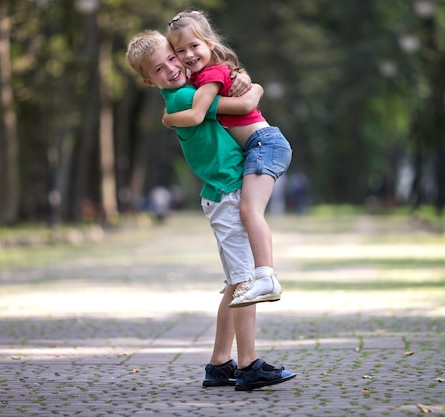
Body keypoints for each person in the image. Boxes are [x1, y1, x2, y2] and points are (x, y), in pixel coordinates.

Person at [125, 30, 296, 391]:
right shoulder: (187, 96)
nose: (172, 67)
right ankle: (248, 365)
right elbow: (244, 105)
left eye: (173, 58)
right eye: (159, 68)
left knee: (237, 282)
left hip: (222, 192)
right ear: (147, 79)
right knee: (247, 283)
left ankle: (219, 364)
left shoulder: (182, 96)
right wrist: (256, 90)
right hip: (228, 192)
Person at [164, 11, 293, 308]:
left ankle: (265, 276)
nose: (188, 54)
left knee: (249, 210)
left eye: (194, 46)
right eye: (179, 51)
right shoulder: (204, 77)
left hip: (264, 144)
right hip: (259, 146)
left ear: (209, 43)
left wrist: (169, 119)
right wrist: (249, 81)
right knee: (250, 211)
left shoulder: (208, 77)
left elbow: (198, 113)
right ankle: (263, 276)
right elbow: (243, 89)